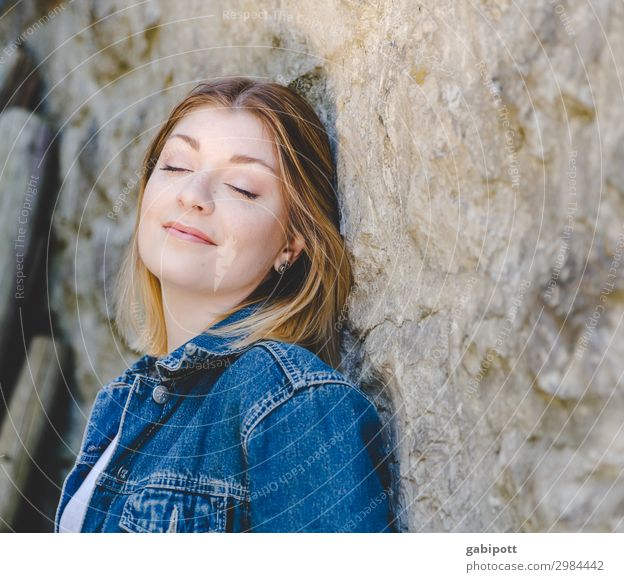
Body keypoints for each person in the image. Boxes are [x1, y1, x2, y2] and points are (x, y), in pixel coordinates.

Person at [54, 77, 394, 533]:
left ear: (291, 243)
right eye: (175, 166)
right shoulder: (120, 404)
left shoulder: (291, 404)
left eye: (242, 187)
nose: (192, 195)